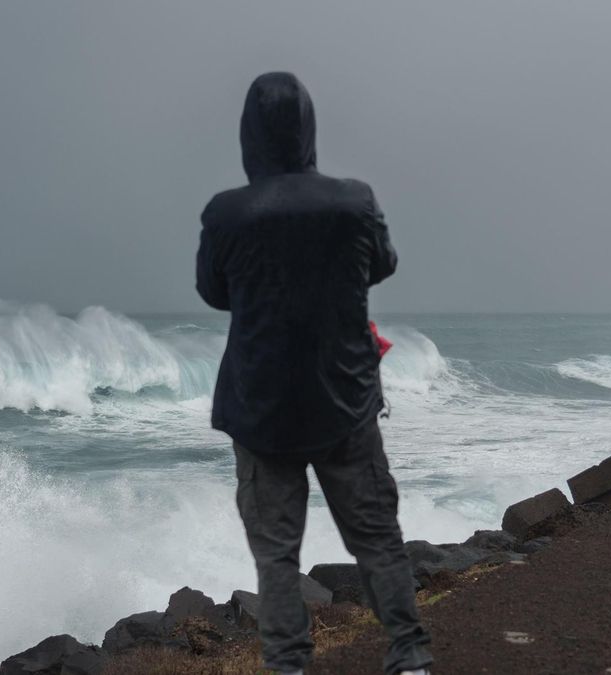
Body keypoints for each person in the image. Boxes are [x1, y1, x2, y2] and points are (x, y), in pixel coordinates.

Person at [196, 72, 432, 675]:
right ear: (308, 131)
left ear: (249, 135)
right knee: (377, 537)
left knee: (276, 556)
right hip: (344, 399)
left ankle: (288, 666)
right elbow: (382, 265)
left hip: (260, 405)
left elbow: (213, 292)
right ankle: (408, 656)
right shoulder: (355, 200)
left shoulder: (226, 214)